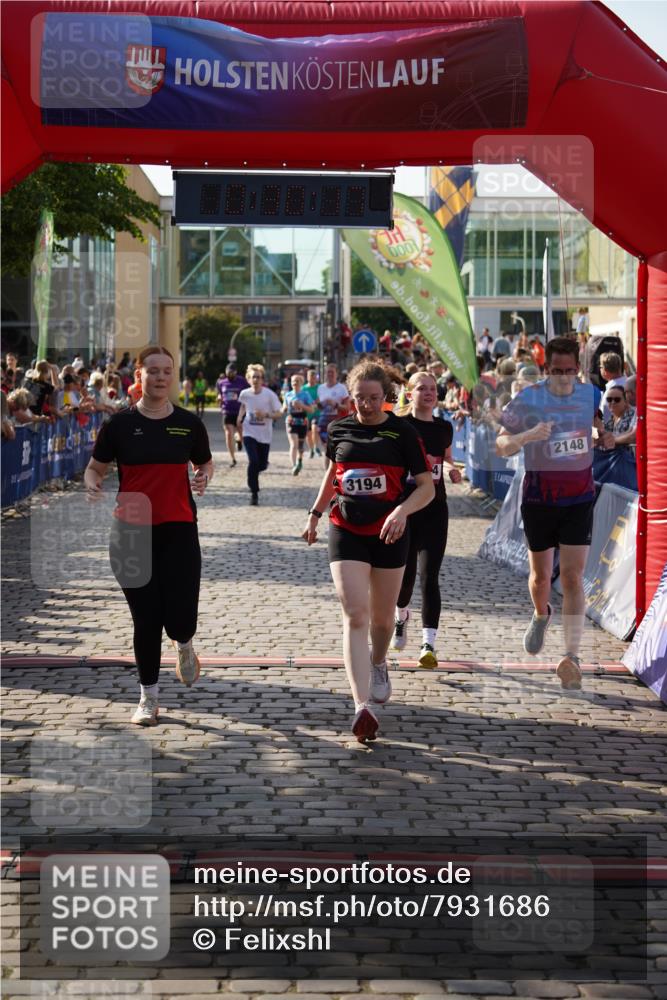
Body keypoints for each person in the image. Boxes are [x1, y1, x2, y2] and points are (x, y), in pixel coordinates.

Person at [302, 360, 434, 743]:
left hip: (390, 532)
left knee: (380, 620)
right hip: (345, 528)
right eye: (359, 398)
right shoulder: (339, 429)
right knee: (355, 614)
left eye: (374, 398)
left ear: (386, 397)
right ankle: (362, 706)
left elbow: (426, 487)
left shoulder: (402, 433)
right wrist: (314, 515)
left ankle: (379, 662)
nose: (366, 405)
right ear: (350, 396)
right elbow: (333, 476)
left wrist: (402, 510)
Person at [84, 346, 213, 726]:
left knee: (180, 618)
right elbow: (95, 468)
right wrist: (93, 485)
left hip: (178, 529)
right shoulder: (119, 425)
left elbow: (204, 462)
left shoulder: (189, 424)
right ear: (137, 375)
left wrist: (203, 476)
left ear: (172, 376)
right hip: (130, 532)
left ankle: (185, 644)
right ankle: (148, 698)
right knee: (146, 618)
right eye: (152, 371)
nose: (160, 377)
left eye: (166, 371)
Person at [496, 336, 604, 690]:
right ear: (547, 369)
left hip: (578, 498)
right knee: (541, 579)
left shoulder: (590, 396)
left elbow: (600, 428)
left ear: (578, 369)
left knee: (572, 577)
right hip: (539, 499)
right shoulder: (530, 398)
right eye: (555, 371)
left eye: (568, 371)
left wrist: (599, 434)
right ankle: (542, 613)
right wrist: (527, 435)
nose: (562, 377)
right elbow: (501, 444)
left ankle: (572, 656)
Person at [391, 372, 462, 668]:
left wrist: (452, 470)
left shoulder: (445, 427)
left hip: (435, 508)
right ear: (410, 392)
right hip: (406, 507)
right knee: (405, 579)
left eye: (433, 388)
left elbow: (445, 460)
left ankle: (428, 644)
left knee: (429, 577)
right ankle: (401, 615)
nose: (429, 393)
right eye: (422, 388)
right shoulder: (399, 425)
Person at [237, 364, 282, 505]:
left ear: (262, 379)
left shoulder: (269, 395)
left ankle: (256, 471)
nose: (256, 379)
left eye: (258, 377)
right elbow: (243, 405)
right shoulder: (244, 394)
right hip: (249, 432)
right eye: (253, 377)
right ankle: (254, 492)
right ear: (249, 379)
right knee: (253, 461)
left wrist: (266, 415)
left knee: (262, 465)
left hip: (264, 435)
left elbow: (279, 413)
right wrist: (239, 418)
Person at [316, 363, 349, 462]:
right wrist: (321, 404)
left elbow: (347, 407)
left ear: (336, 374)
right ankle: (329, 472)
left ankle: (333, 471)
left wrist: (335, 405)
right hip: (323, 421)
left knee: (334, 448)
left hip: (337, 421)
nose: (330, 374)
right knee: (327, 447)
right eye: (328, 372)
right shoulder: (320, 388)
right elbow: (319, 407)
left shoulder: (342, 388)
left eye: (332, 372)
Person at [216, 364, 249, 467]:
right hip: (227, 411)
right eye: (228, 372)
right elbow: (220, 394)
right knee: (228, 434)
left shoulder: (242, 381)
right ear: (226, 372)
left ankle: (239, 439)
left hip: (240, 411)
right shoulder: (221, 383)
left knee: (242, 433)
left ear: (236, 372)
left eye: (232, 372)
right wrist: (219, 399)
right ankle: (233, 458)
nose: (230, 374)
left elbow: (249, 392)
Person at [282, 373, 314, 475]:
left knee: (300, 445)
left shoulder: (305, 394)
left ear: (301, 383)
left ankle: (299, 461)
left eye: (297, 381)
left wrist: (302, 405)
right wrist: (284, 409)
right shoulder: (288, 395)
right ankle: (294, 465)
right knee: (293, 444)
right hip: (291, 420)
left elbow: (311, 410)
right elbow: (283, 408)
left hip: (302, 421)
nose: (295, 383)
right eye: (293, 381)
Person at [601, 386, 636, 451]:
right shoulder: (609, 419)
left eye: (617, 400)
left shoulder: (631, 417)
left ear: (626, 401)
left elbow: (629, 437)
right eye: (609, 399)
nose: (612, 402)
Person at [303, 368, 321, 458]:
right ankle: (311, 450)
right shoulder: (304, 388)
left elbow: (320, 398)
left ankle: (316, 447)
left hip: (316, 413)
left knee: (314, 428)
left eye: (314, 377)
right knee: (308, 433)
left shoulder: (319, 387)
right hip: (306, 414)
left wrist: (317, 402)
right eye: (310, 377)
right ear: (307, 377)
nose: (312, 379)